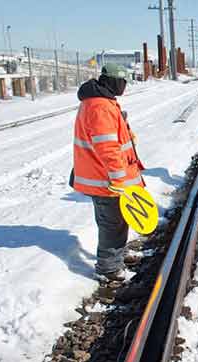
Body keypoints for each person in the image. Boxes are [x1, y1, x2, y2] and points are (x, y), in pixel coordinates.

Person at [72, 63, 145, 282]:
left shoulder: (103, 102)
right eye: (123, 83)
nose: (124, 87)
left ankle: (118, 256)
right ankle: (108, 268)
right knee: (111, 224)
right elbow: (107, 147)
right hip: (105, 180)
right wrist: (118, 178)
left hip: (107, 178)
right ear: (113, 81)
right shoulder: (99, 107)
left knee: (120, 219)